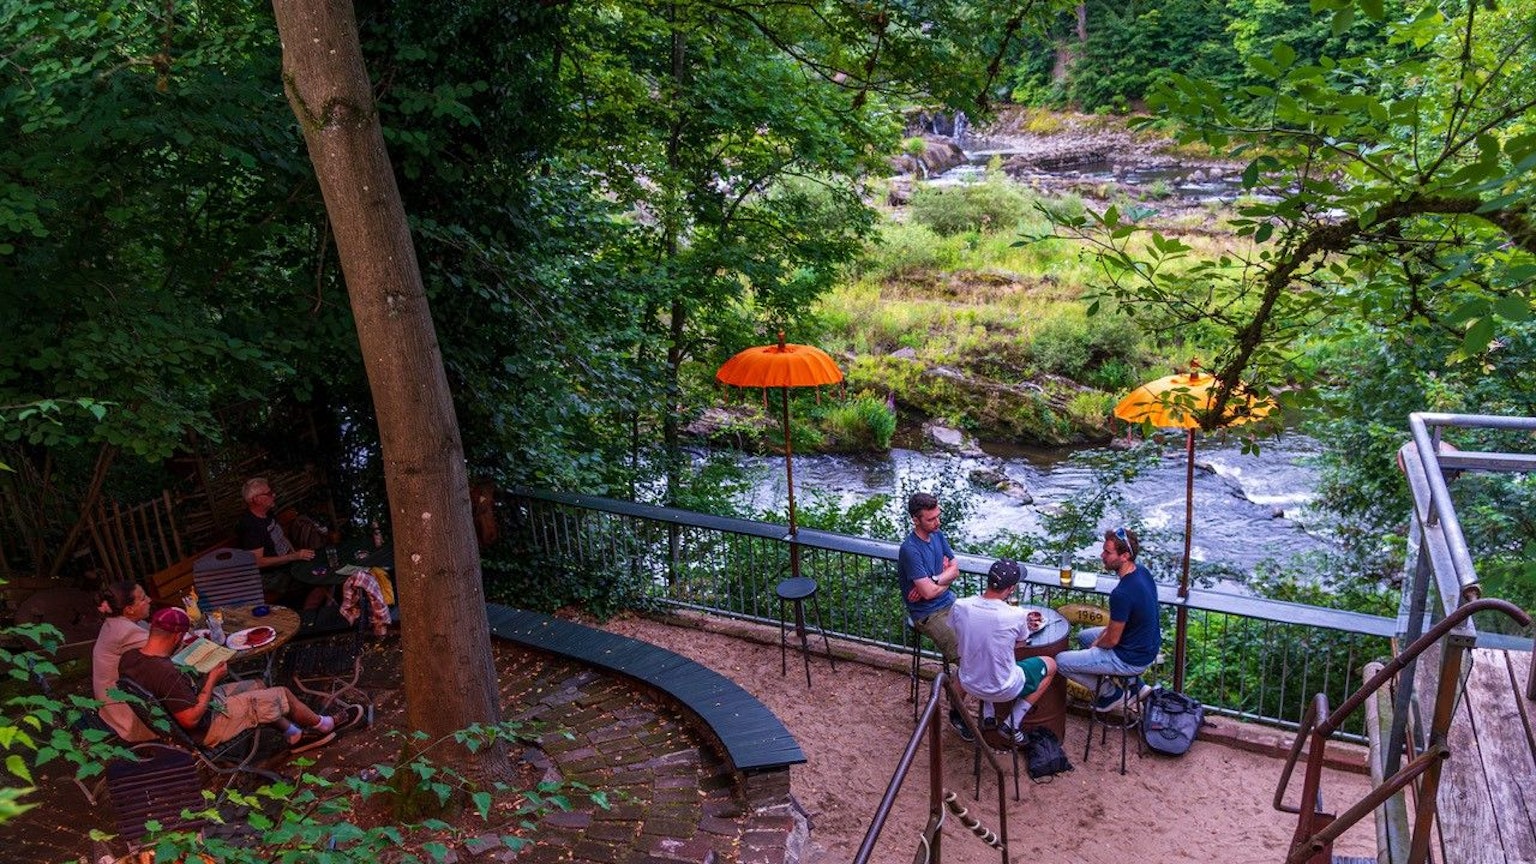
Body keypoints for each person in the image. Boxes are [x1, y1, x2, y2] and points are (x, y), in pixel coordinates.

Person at [118, 607, 362, 753]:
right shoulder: (166, 674)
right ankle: (324, 724)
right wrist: (212, 679)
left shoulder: (129, 658)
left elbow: (166, 689)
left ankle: (293, 734)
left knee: (258, 685)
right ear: (176, 636)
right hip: (205, 728)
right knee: (282, 694)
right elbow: (191, 719)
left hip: (184, 710)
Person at [950, 559, 1057, 746]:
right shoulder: (1015, 615)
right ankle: (1012, 724)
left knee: (979, 659)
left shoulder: (960, 606)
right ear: (1012, 588)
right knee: (1051, 665)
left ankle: (985, 714)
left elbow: (960, 631)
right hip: (1004, 689)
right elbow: (1020, 643)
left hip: (970, 683)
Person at [1055, 527, 1161, 709]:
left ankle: (1110, 693)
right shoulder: (1142, 572)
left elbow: (1111, 640)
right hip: (1146, 646)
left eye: (1107, 552)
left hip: (1130, 658)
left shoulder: (1122, 594)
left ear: (1125, 556)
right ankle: (1134, 685)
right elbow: (1117, 627)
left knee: (1060, 662)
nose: (1102, 555)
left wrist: (1097, 645)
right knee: (1084, 637)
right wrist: (1097, 642)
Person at [897, 492, 972, 741]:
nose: (937, 522)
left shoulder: (938, 535)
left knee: (985, 638)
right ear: (916, 520)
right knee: (969, 659)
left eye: (938, 516)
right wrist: (941, 580)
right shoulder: (910, 550)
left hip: (950, 602)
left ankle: (981, 702)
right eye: (931, 519)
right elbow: (927, 594)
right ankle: (957, 714)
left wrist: (936, 580)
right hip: (927, 614)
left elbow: (955, 570)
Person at [90, 580, 155, 742]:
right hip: (125, 715)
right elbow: (163, 647)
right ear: (129, 609)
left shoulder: (114, 622)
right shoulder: (125, 631)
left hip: (109, 705)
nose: (149, 600)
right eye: (143, 598)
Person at [238, 476, 319, 604]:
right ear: (257, 499)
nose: (274, 495)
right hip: (270, 575)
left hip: (287, 563)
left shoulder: (267, 513)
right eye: (269, 493)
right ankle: (309, 613)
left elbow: (281, 537)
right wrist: (293, 557)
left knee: (319, 568)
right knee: (315, 580)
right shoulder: (251, 526)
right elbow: (258, 562)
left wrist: (294, 554)